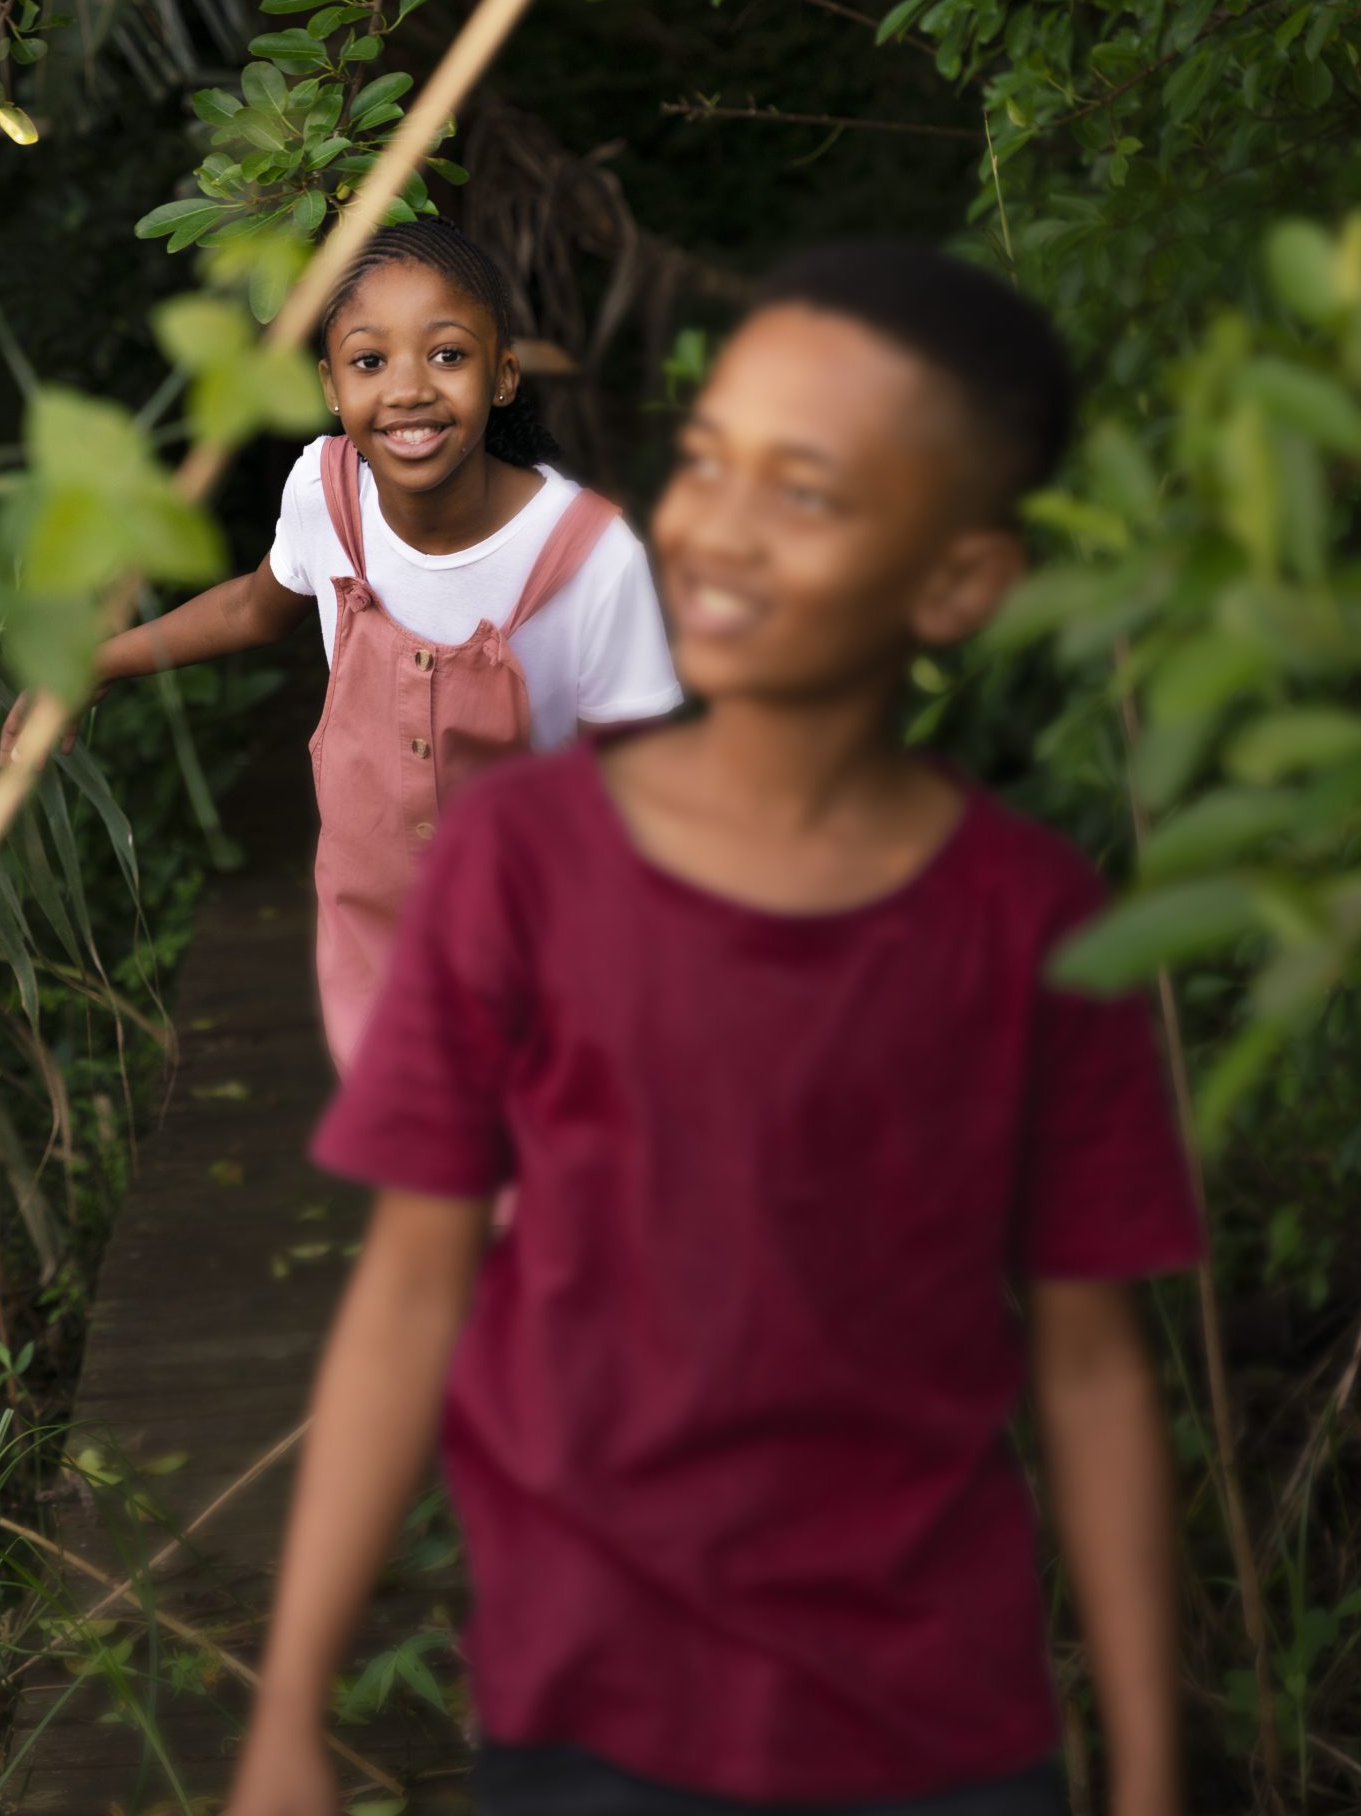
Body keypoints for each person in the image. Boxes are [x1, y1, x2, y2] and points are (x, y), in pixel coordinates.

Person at [227, 238, 1203, 1816]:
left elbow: (1092, 1367)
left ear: (958, 580)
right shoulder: (519, 867)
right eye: (710, 465)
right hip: (589, 1711)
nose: (722, 532)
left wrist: (1148, 1772)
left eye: (807, 492)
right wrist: (287, 1713)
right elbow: (411, 1291)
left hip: (938, 1727)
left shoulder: (1030, 923)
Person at [1, 218, 680, 1067]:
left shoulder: (588, 555)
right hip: (377, 951)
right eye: (370, 361)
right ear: (329, 385)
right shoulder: (325, 499)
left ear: (503, 374)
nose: (407, 390)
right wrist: (97, 661)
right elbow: (254, 610)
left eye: (447, 355)